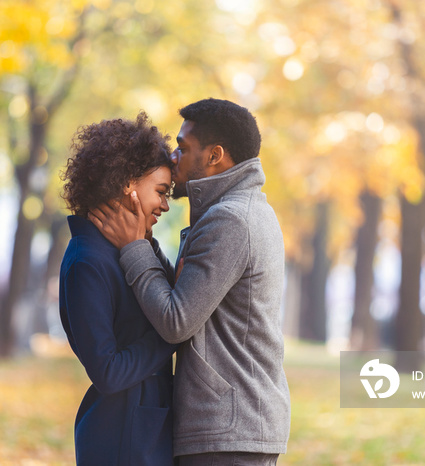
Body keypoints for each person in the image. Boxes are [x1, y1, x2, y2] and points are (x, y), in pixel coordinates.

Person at [89, 98, 291, 465]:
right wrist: (143, 242)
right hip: (234, 426)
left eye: (183, 148)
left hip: (228, 431)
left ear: (215, 155)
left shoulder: (230, 221)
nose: (173, 158)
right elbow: (191, 296)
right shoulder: (241, 211)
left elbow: (176, 320)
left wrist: (134, 247)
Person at [59, 112, 178, 466]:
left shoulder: (122, 250)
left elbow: (175, 293)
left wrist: (145, 244)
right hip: (122, 439)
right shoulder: (88, 261)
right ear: (129, 183)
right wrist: (173, 332)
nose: (166, 204)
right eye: (161, 191)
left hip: (142, 430)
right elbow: (108, 372)